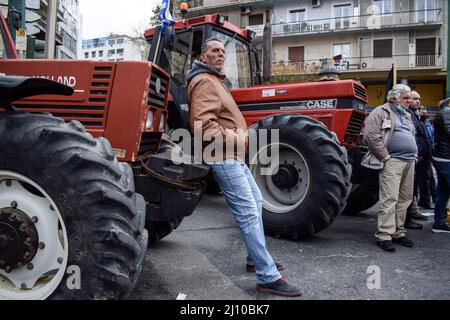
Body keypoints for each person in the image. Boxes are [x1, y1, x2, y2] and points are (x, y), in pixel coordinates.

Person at [187, 37, 302, 296]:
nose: (220, 54)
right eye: (214, 50)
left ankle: (254, 258)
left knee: (257, 202)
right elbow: (202, 126)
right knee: (248, 211)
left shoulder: (215, 79)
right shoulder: (204, 80)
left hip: (232, 154)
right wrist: (239, 137)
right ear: (203, 56)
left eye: (222, 51)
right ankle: (267, 275)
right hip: (221, 154)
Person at [363, 84, 417, 252]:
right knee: (389, 199)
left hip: (409, 161)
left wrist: (414, 155)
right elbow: (370, 136)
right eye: (406, 98)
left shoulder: (407, 115)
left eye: (409, 98)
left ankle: (398, 232)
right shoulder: (380, 111)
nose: (409, 101)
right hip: (392, 161)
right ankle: (384, 235)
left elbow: (411, 135)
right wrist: (385, 157)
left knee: (405, 199)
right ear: (394, 98)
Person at [404, 90, 433, 227]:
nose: (418, 101)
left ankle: (411, 215)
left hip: (422, 158)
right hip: (416, 157)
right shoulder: (408, 115)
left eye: (419, 99)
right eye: (415, 98)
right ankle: (407, 219)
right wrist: (418, 153)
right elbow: (413, 137)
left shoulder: (417, 116)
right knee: (409, 189)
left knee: (414, 188)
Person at [431, 98, 450, 233]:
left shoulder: (444, 111)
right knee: (443, 192)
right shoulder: (447, 112)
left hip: (442, 156)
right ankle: (439, 222)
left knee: (443, 192)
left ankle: (439, 223)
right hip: (446, 157)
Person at [418, 105, 437, 208]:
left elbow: (430, 137)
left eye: (425, 110)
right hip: (421, 155)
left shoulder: (427, 123)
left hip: (428, 153)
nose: (424, 111)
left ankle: (431, 200)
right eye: (422, 110)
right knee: (424, 179)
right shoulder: (418, 122)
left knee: (430, 178)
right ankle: (424, 201)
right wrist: (419, 153)